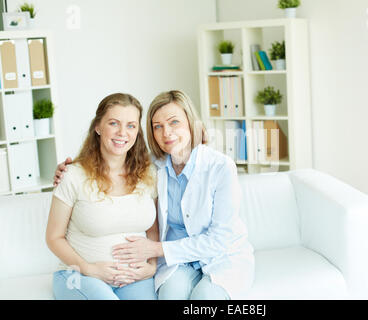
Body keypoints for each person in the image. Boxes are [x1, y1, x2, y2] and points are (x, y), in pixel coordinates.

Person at [54, 90, 254, 300]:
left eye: (174, 122)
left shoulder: (220, 167)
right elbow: (109, 163)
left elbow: (218, 240)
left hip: (220, 258)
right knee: (169, 296)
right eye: (157, 126)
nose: (166, 133)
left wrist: (156, 251)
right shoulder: (150, 168)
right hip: (179, 263)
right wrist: (65, 171)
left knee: (205, 299)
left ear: (191, 123)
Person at [46, 93, 159, 300]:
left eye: (131, 125)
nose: (122, 132)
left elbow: (153, 231)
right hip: (79, 275)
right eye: (114, 123)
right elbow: (54, 237)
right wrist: (89, 269)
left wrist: (151, 267)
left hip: (135, 279)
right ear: (98, 127)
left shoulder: (149, 174)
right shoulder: (73, 175)